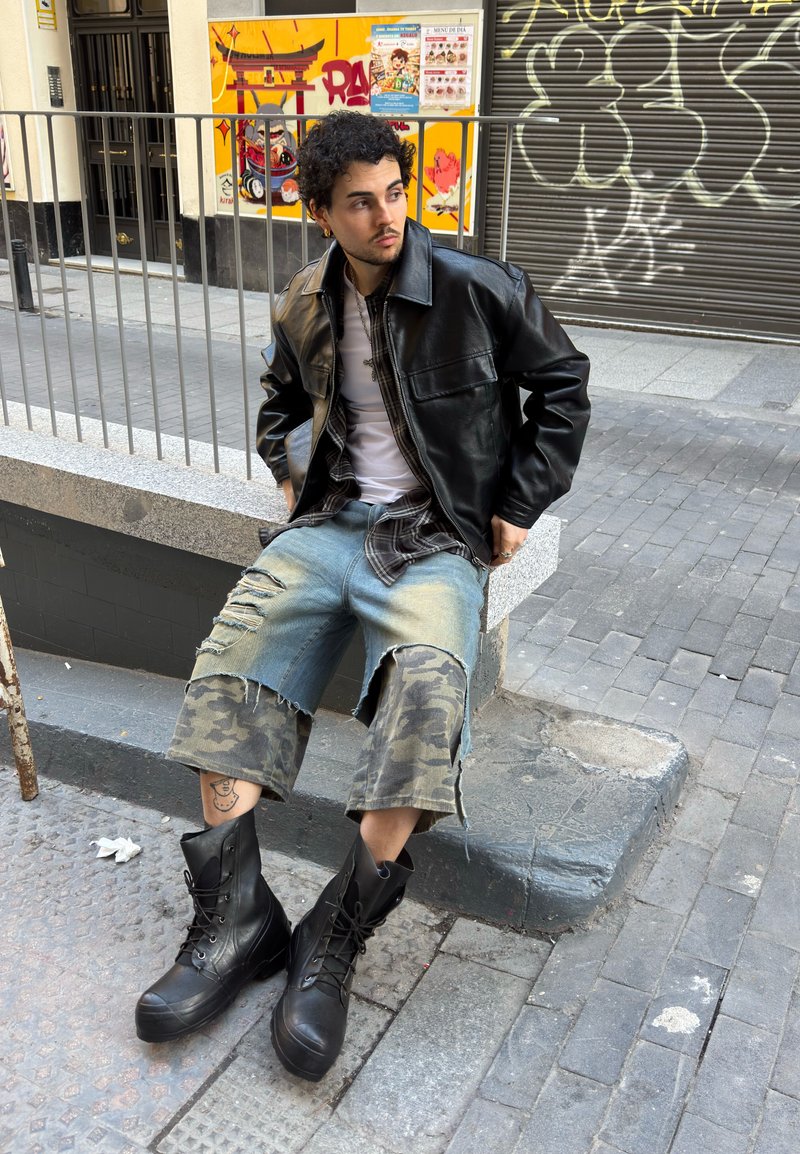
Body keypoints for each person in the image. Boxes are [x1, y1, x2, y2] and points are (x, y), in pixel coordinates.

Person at [135, 111, 590, 1082]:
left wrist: (516, 501)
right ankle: (237, 919)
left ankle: (332, 934)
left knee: (426, 697)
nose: (387, 217)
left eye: (395, 192)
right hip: (329, 525)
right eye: (360, 203)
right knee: (230, 666)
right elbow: (278, 406)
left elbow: (563, 386)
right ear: (319, 213)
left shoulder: (479, 287)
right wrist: (292, 473)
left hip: (435, 537)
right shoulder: (304, 301)